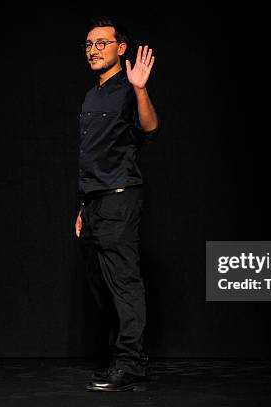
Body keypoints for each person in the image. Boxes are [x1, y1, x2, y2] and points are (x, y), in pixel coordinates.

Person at [74, 18, 159, 392]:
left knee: (124, 283)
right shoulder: (92, 96)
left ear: (120, 48)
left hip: (120, 199)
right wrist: (82, 207)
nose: (92, 50)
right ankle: (119, 354)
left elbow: (151, 127)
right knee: (100, 285)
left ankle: (131, 362)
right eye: (89, 44)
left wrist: (141, 89)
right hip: (94, 202)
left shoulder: (129, 90)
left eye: (101, 43)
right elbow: (91, 156)